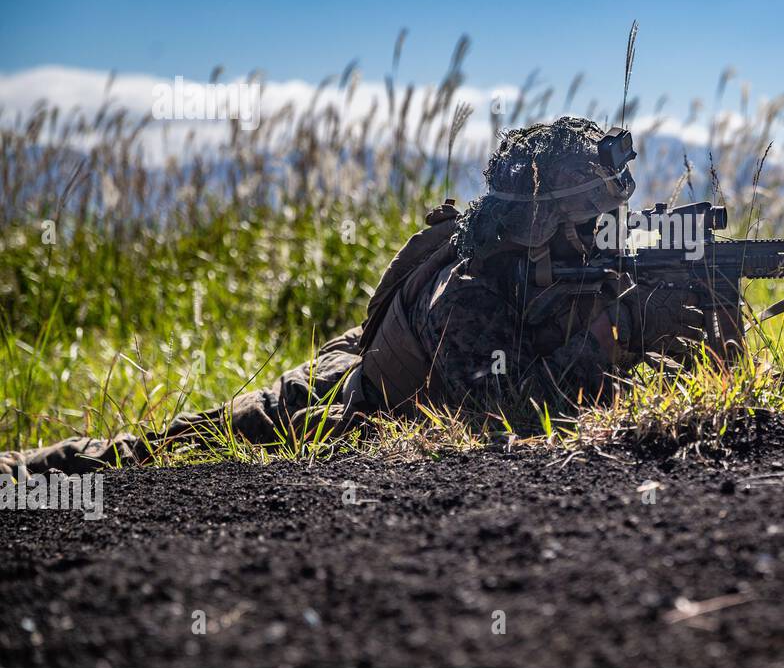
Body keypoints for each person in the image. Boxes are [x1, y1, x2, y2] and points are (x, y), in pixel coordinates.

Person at [0, 117, 704, 477]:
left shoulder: (557, 264)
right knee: (166, 448)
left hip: (389, 376)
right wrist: (621, 330)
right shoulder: (473, 291)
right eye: (587, 226)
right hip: (347, 393)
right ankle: (29, 469)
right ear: (542, 231)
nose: (602, 239)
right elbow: (505, 421)